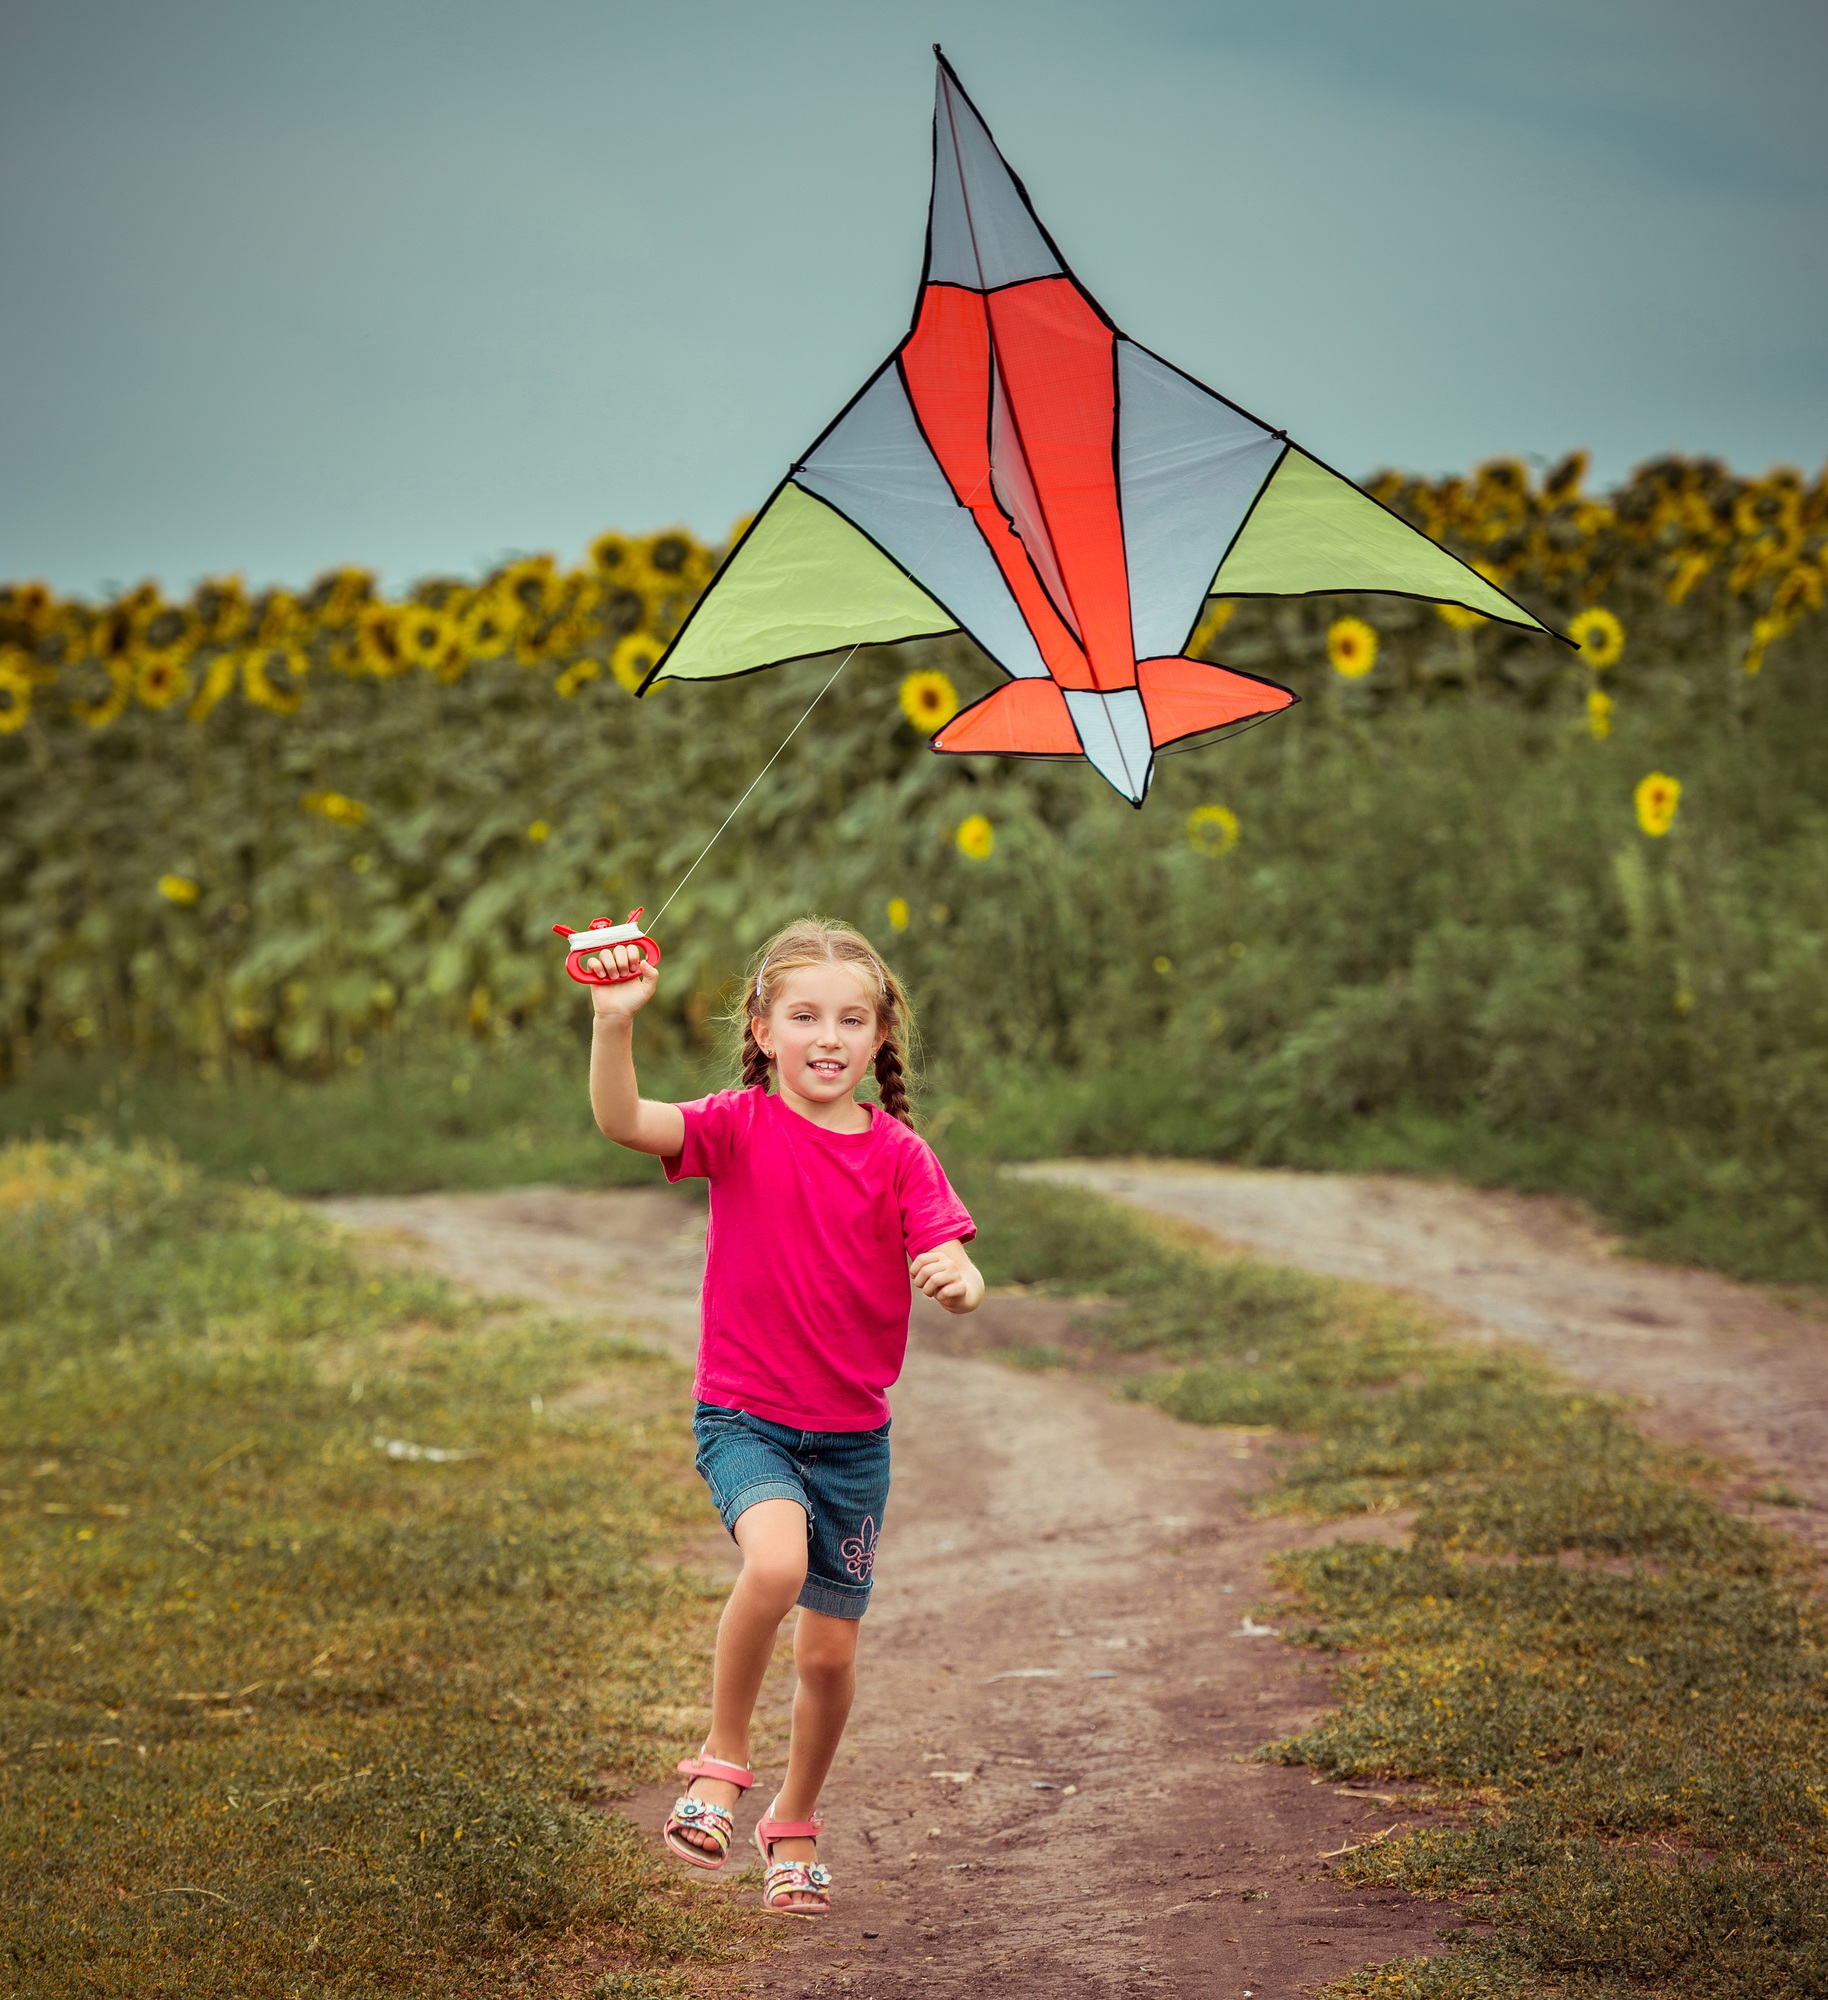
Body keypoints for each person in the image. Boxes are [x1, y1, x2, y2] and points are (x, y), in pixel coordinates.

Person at [581, 916, 984, 1916]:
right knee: (775, 1564)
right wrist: (613, 1024)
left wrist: (959, 1276)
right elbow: (626, 1120)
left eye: (851, 1017)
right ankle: (720, 1761)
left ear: (881, 1037)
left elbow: (953, 1252)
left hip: (851, 1439)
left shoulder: (898, 1153)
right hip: (746, 1417)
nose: (827, 1034)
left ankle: (792, 1822)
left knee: (829, 1653)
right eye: (804, 1014)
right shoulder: (736, 1124)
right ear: (761, 1029)